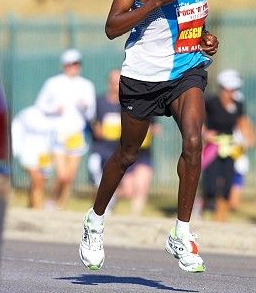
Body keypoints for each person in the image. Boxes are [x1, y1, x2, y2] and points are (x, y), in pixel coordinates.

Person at [79, 0, 219, 273]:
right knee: (127, 154)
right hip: (143, 76)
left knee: (193, 141)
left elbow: (195, 20)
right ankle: (95, 221)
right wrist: (154, 2)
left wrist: (206, 39)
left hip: (185, 71)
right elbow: (112, 27)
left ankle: (181, 232)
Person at [88, 69, 157, 215]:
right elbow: (93, 125)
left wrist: (152, 130)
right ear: (108, 83)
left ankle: (134, 218)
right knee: (127, 190)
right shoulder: (99, 102)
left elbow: (153, 125)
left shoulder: (137, 102)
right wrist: (99, 129)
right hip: (116, 152)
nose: (116, 86)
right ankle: (107, 200)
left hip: (140, 152)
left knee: (142, 185)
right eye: (113, 82)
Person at [35, 48, 96, 209]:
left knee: (69, 176)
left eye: (76, 64)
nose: (73, 67)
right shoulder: (53, 83)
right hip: (58, 133)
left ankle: (60, 206)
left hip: (76, 134)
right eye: (70, 64)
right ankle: (52, 201)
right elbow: (40, 105)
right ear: (64, 65)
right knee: (61, 175)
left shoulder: (86, 85)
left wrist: (85, 106)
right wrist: (54, 109)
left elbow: (91, 113)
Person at [201, 69, 256, 221]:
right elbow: (199, 121)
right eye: (229, 89)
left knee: (227, 187)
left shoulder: (238, 104)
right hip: (213, 148)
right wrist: (205, 133)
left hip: (230, 149)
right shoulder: (210, 102)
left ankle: (220, 219)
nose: (232, 93)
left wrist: (247, 138)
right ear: (222, 88)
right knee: (211, 186)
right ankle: (202, 206)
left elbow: (242, 123)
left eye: (234, 89)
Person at [11, 104, 54, 208]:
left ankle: (32, 206)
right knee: (37, 180)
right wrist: (16, 150)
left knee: (39, 183)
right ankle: (37, 207)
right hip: (28, 154)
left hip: (44, 155)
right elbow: (16, 131)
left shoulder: (54, 117)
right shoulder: (27, 115)